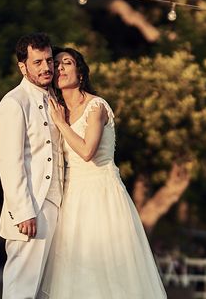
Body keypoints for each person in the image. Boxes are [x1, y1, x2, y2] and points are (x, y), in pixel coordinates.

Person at [40, 46, 167, 298]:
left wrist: (61, 124)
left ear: (81, 73)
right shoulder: (57, 109)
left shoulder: (96, 106)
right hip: (72, 197)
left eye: (67, 63)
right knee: (77, 268)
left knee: (106, 266)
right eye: (57, 64)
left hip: (101, 194)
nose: (60, 68)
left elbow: (87, 151)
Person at [0, 32, 64, 299]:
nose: (47, 67)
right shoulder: (14, 103)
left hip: (57, 206)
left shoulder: (56, 99)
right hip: (31, 209)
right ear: (22, 66)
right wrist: (23, 211)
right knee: (21, 289)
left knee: (45, 290)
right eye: (38, 62)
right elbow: (10, 162)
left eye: (49, 60)